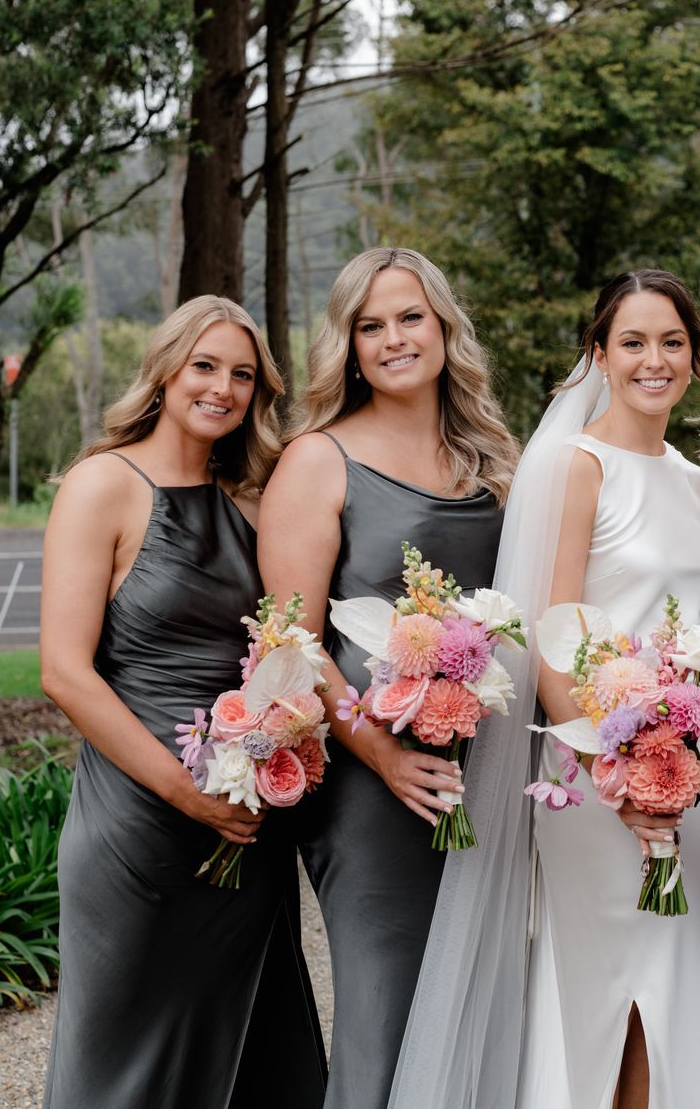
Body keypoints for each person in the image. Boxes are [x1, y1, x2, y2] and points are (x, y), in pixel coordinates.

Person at [40, 295, 325, 1109]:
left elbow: (289, 644)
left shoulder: (255, 501)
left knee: (255, 1050)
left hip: (246, 814)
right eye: (205, 366)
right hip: (139, 824)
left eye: (243, 375)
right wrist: (182, 791)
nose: (223, 388)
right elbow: (64, 672)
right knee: (125, 1060)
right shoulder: (104, 486)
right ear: (164, 371)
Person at [256, 248, 517, 1109]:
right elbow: (291, 638)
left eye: (410, 317)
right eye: (371, 326)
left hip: (486, 774)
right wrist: (383, 755)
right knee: (391, 1008)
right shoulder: (318, 460)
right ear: (349, 345)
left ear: (444, 326)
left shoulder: (489, 460)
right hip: (374, 789)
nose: (394, 338)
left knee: (483, 1009)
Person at [515, 270, 700, 1109]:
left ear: (695, 356)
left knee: (678, 973)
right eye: (634, 342)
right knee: (610, 986)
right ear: (599, 355)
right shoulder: (575, 468)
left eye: (672, 342)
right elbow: (547, 638)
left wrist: (679, 762)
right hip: (592, 771)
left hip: (694, 776)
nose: (655, 360)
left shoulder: (694, 481)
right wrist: (621, 776)